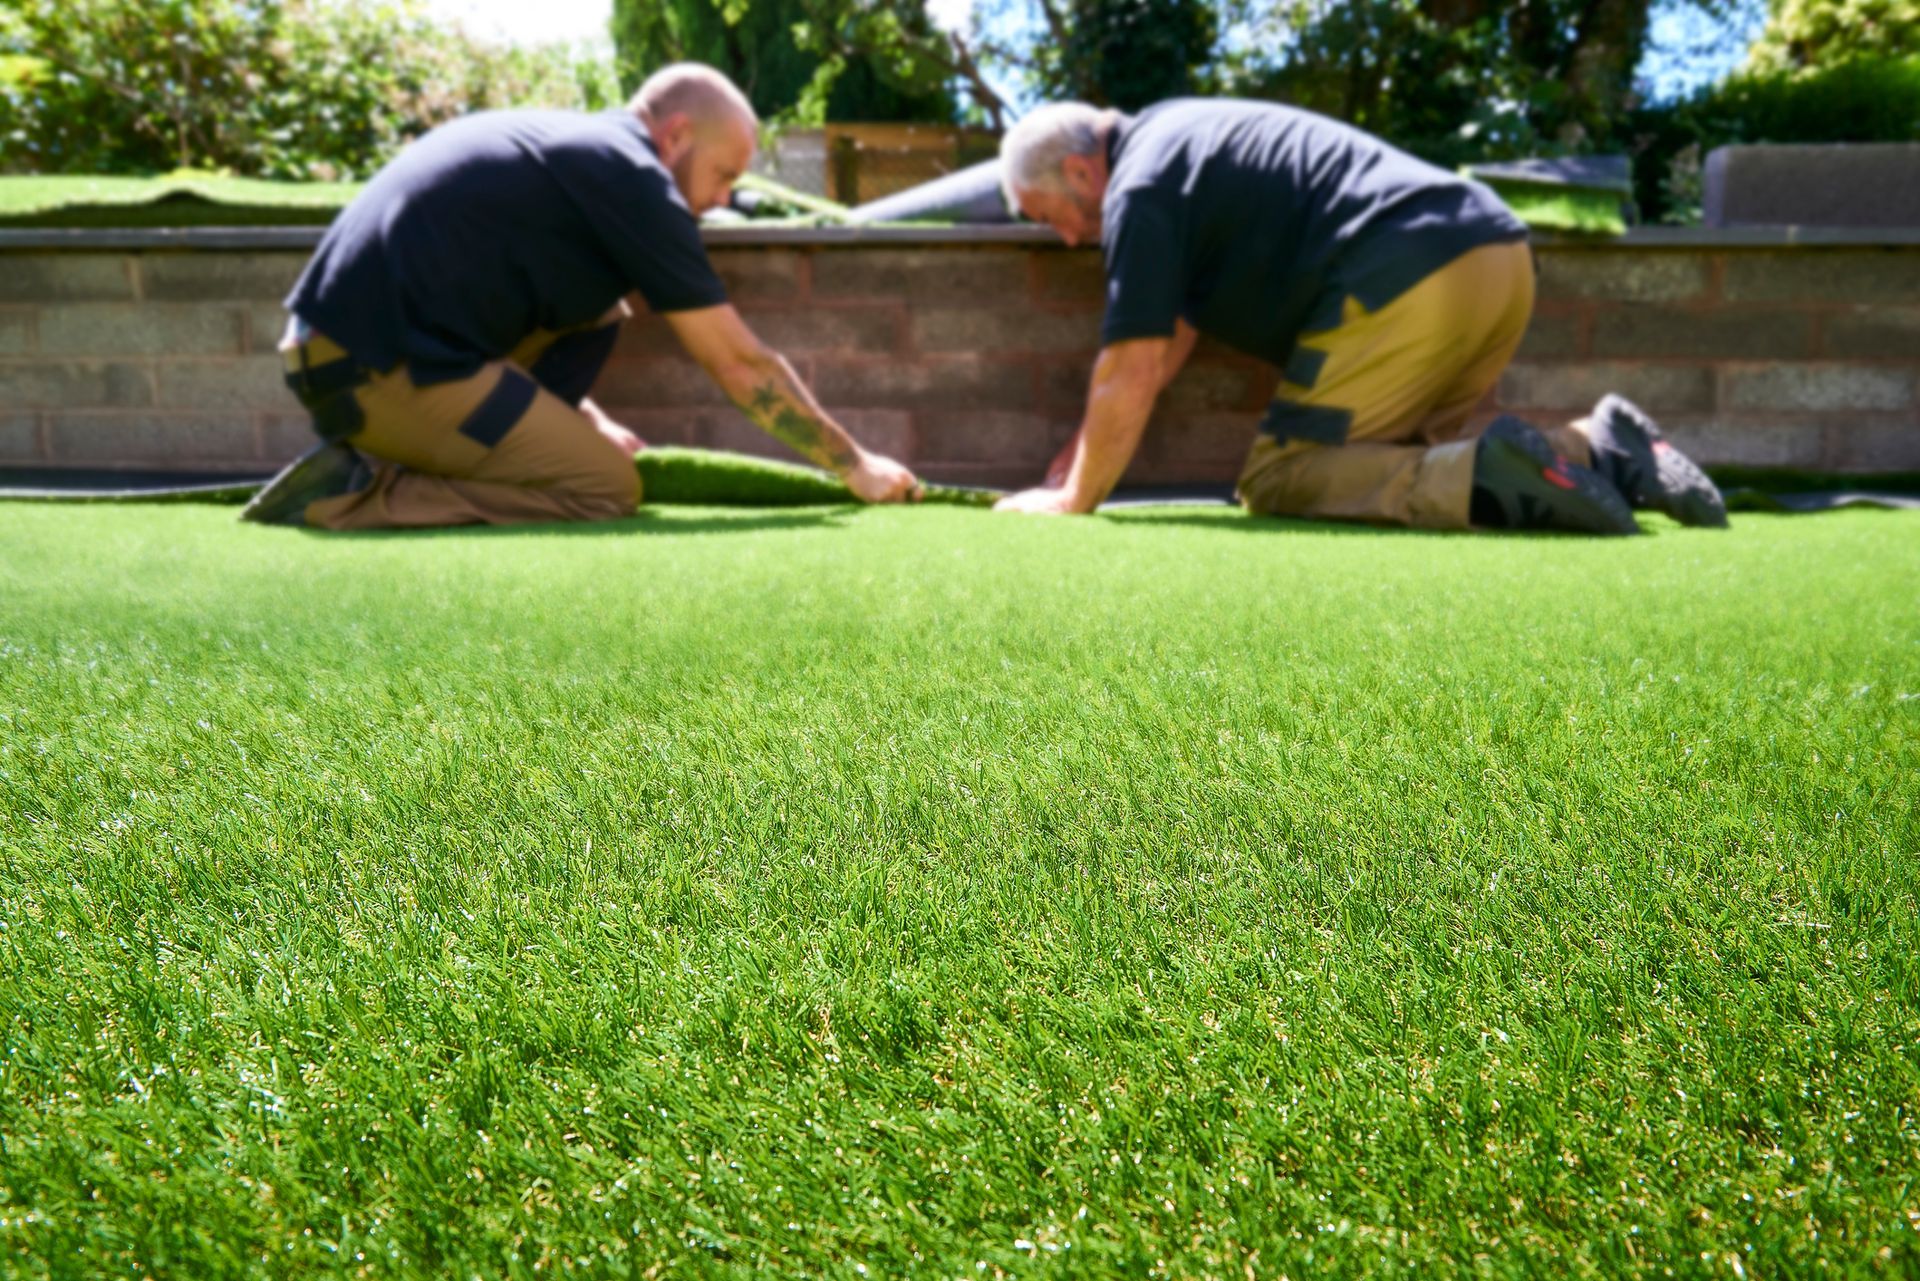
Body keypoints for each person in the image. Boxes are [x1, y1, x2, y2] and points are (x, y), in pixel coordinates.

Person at [991, 99, 1727, 533]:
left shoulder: (1141, 190)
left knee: (1284, 476)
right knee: (1388, 462)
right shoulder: (1178, 142)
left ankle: (1496, 471)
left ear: (1082, 172)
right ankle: (1600, 446)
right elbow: (1168, 336)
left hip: (1409, 277)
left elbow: (1133, 363)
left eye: (1046, 215)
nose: (1061, 236)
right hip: (1496, 261)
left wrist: (1072, 499)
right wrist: (1084, 451)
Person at [245, 63, 921, 529]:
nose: (721, 201)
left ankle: (403, 457)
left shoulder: (583, 154)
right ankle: (353, 495)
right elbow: (741, 366)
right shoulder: (633, 177)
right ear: (677, 133)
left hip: (355, 351)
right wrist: (855, 465)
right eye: (723, 174)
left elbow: (507, 296)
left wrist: (586, 417)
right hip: (367, 370)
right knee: (604, 487)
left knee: (603, 308)